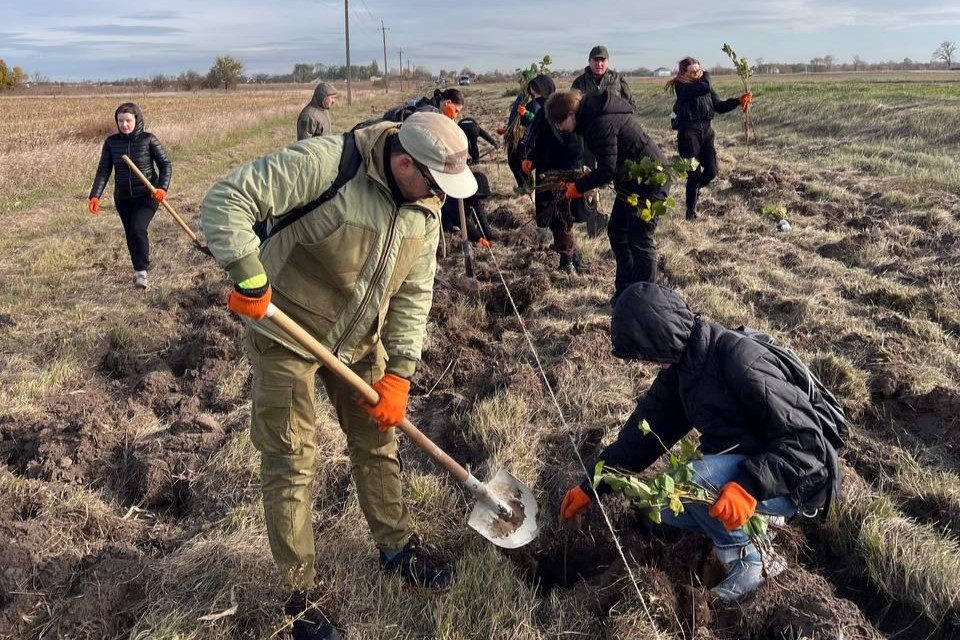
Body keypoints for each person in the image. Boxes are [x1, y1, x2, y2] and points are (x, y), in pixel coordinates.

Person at [200, 112, 477, 640]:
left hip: (358, 340)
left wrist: (400, 373)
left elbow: (415, 294)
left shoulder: (427, 206)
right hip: (286, 331)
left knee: (378, 441)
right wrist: (248, 273)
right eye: (434, 183)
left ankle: (396, 550)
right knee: (292, 459)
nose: (441, 196)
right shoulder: (328, 163)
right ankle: (299, 597)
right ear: (403, 163)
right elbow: (226, 200)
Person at [560, 283, 842, 603]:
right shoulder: (684, 369)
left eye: (644, 353)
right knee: (661, 504)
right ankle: (755, 524)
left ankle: (753, 562)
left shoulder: (738, 358)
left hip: (802, 478)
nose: (644, 363)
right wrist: (591, 484)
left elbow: (807, 443)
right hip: (759, 464)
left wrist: (749, 486)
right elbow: (640, 438)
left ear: (660, 335)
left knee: (697, 480)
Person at [546, 90, 670, 303]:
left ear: (570, 114)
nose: (559, 128)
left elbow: (607, 169)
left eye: (559, 122)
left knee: (640, 238)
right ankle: (624, 294)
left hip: (651, 181)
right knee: (617, 232)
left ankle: (647, 302)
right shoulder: (591, 117)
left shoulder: (599, 122)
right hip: (631, 182)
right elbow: (609, 159)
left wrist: (578, 187)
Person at [88, 102, 172, 290]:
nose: (124, 125)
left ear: (137, 120)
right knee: (130, 234)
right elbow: (103, 171)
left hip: (147, 195)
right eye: (120, 121)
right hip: (123, 198)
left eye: (128, 120)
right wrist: (95, 195)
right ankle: (138, 270)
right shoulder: (112, 143)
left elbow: (165, 164)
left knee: (137, 229)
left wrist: (162, 188)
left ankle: (142, 273)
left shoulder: (148, 140)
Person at [666, 57, 751, 220]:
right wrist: (707, 75)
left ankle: (695, 190)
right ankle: (690, 213)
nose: (697, 74)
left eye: (699, 70)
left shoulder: (705, 88)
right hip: (688, 135)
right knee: (694, 174)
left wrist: (739, 101)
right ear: (684, 73)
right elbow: (704, 86)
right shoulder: (681, 87)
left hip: (706, 133)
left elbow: (719, 106)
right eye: (693, 72)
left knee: (712, 171)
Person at [521, 74, 587, 274]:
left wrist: (534, 158)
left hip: (560, 176)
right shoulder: (547, 113)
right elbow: (540, 142)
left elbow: (563, 146)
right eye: (533, 92)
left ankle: (568, 262)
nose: (536, 96)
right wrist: (531, 159)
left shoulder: (562, 115)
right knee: (559, 218)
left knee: (560, 217)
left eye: (538, 91)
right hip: (550, 172)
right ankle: (574, 257)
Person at [440, 169, 496, 246]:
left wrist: (489, 235)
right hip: (446, 214)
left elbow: (481, 215)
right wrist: (479, 238)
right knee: (449, 225)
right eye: (476, 197)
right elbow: (462, 220)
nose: (477, 200)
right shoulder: (454, 197)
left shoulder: (474, 197)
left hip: (461, 214)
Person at [571, 45, 636, 110]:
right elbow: (572, 108)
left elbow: (631, 105)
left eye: (602, 60)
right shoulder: (579, 83)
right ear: (589, 61)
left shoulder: (618, 80)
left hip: (613, 119)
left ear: (607, 62)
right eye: (596, 60)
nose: (599, 64)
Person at [384, 87, 465, 122]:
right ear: (447, 103)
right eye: (456, 111)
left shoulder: (427, 105)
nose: (455, 115)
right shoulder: (430, 113)